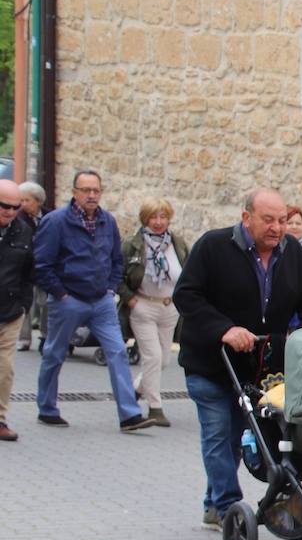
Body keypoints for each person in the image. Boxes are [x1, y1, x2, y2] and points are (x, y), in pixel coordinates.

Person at [173, 188, 302, 528]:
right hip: (211, 364)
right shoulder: (213, 247)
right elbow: (186, 294)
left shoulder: (295, 255)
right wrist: (224, 329)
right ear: (246, 218)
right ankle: (228, 508)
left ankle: (214, 502)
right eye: (268, 220)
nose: (276, 228)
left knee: (238, 439)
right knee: (219, 434)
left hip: (259, 368)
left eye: (282, 221)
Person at [32, 169, 154, 432]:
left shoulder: (107, 221)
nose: (91, 195)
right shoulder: (56, 222)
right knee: (54, 353)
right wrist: (61, 294)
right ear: (74, 192)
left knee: (118, 352)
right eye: (85, 190)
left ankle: (129, 415)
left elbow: (116, 260)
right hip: (68, 300)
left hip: (101, 301)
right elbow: (41, 264)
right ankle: (47, 407)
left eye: (96, 190)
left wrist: (110, 289)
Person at [118, 198, 190, 427]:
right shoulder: (133, 244)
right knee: (153, 356)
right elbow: (117, 276)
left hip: (169, 307)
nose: (158, 222)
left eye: (163, 217)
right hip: (143, 306)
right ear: (145, 219)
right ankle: (155, 408)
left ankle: (133, 392)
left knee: (165, 359)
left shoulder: (177, 243)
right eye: (153, 217)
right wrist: (131, 301)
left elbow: (188, 272)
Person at [0, 180, 35, 441]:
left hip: (10, 310)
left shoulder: (24, 231)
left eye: (15, 207)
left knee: (5, 368)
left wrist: (24, 304)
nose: (10, 212)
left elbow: (28, 272)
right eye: (4, 206)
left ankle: (0, 419)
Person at [15, 180, 44, 353]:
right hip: (25, 265)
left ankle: (46, 335)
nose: (23, 204)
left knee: (46, 302)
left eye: (27, 200)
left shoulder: (48, 215)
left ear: (38, 200)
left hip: (44, 265)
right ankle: (23, 339)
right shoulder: (18, 217)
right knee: (26, 302)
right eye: (22, 200)